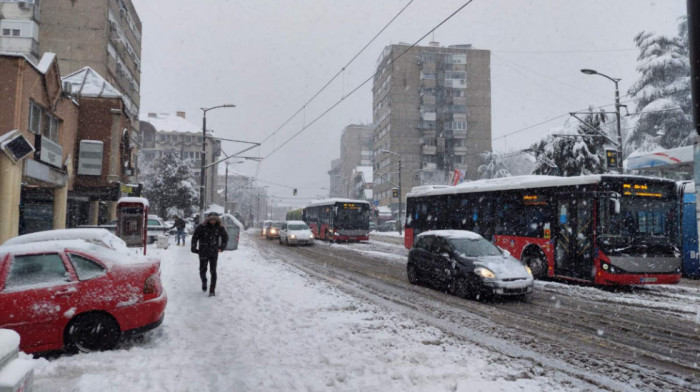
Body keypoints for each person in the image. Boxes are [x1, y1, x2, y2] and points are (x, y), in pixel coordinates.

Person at [191, 212, 228, 297]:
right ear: (208, 219)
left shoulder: (220, 228)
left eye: (214, 219)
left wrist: (221, 247)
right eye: (211, 219)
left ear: (217, 220)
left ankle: (212, 289)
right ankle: (204, 281)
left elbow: (225, 238)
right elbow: (195, 237)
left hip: (213, 252)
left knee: (213, 271)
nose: (212, 221)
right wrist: (193, 247)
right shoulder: (202, 227)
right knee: (202, 270)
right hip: (203, 252)